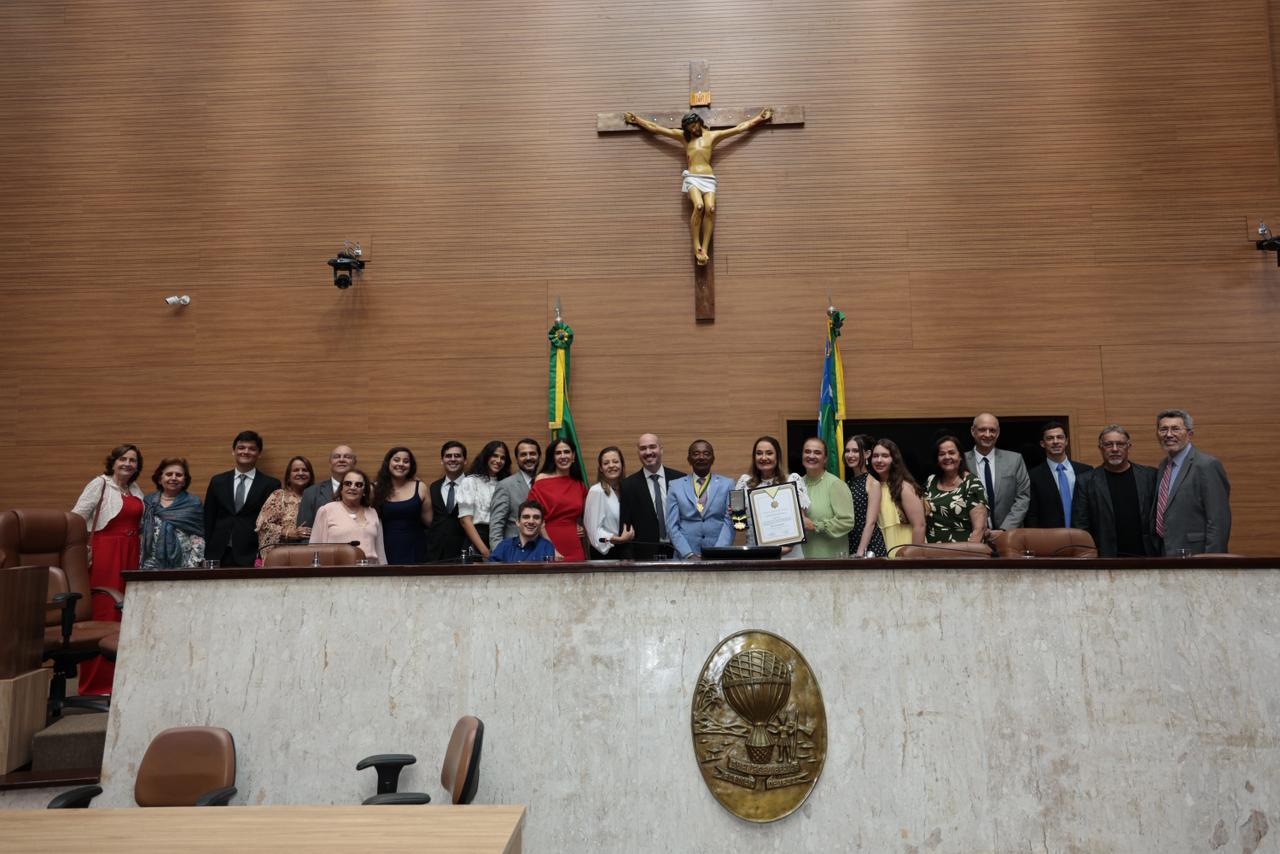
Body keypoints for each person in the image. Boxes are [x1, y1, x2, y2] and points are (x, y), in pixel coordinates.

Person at [623, 107, 773, 265]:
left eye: (694, 125)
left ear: (699, 122)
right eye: (689, 128)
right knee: (699, 206)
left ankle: (704, 249)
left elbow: (739, 128)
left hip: (708, 178)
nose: (693, 129)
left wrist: (759, 118)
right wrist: (637, 120)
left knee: (711, 209)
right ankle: (697, 246)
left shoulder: (713, 136)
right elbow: (657, 128)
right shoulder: (684, 137)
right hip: (693, 177)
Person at [70, 443, 146, 696]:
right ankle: (95, 684)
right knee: (105, 611)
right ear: (113, 462)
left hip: (131, 554)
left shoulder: (135, 489)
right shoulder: (100, 484)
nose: (127, 464)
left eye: (133, 460)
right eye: (123, 459)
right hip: (106, 553)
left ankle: (121, 682)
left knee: (126, 614)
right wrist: (79, 551)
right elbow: (76, 519)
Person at [1152, 409, 1231, 555]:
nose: (1169, 434)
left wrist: (1213, 560)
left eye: (1175, 429)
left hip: (1197, 554)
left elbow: (1218, 520)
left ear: (1190, 434)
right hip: (1166, 552)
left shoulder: (1207, 465)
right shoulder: (1164, 466)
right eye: (1163, 429)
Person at [1072, 425, 1158, 557]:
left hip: (1147, 554)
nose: (1115, 449)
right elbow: (1081, 524)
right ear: (1100, 448)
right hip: (1106, 557)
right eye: (1108, 444)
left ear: (1128, 446)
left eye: (1120, 444)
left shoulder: (1150, 476)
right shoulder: (1086, 481)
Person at [203, 431, 281, 567]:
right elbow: (208, 518)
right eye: (241, 448)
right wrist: (206, 552)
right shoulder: (217, 481)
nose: (246, 452)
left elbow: (271, 524)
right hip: (217, 553)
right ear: (233, 451)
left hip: (251, 554)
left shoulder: (271, 485)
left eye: (252, 448)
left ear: (259, 454)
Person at [733, 435, 809, 558]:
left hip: (789, 553)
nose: (764, 458)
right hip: (757, 553)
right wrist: (737, 515)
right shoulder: (744, 483)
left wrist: (788, 547)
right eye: (759, 453)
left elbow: (802, 521)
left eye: (769, 453)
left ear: (777, 456)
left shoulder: (792, 480)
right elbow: (739, 526)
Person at [618, 432, 685, 560]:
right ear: (638, 453)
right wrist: (628, 560)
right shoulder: (628, 485)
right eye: (643, 448)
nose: (648, 452)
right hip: (645, 556)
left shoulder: (680, 479)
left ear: (661, 449)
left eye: (652, 447)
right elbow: (625, 528)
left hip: (679, 551)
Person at [665, 440, 735, 559]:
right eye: (696, 454)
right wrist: (688, 554)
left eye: (706, 453)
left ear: (713, 459)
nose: (701, 457)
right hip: (684, 557)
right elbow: (672, 526)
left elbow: (730, 521)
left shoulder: (728, 484)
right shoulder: (675, 486)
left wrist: (716, 553)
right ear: (689, 459)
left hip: (718, 557)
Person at [965, 412, 1030, 530]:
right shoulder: (962, 462)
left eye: (992, 430)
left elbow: (1023, 497)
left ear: (998, 432)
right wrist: (978, 530)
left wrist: (1004, 529)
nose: (987, 434)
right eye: (982, 430)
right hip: (972, 533)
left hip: (1009, 533)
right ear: (973, 431)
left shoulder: (1015, 460)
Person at [527, 438, 589, 560]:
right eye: (558, 453)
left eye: (566, 452)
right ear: (553, 457)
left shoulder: (579, 484)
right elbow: (533, 518)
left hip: (575, 546)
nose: (563, 456)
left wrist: (581, 526)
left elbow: (585, 516)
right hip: (548, 543)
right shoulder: (541, 481)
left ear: (573, 456)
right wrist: (550, 548)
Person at [309, 468, 387, 564]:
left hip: (370, 570)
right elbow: (314, 549)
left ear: (364, 491)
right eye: (348, 483)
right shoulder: (326, 510)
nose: (353, 487)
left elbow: (380, 551)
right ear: (341, 489)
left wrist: (385, 570)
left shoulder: (372, 512)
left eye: (358, 485)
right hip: (337, 570)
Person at [140, 457, 206, 569]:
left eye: (178, 475)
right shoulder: (148, 502)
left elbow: (198, 538)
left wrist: (191, 566)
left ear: (184, 481)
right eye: (169, 474)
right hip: (150, 564)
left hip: (184, 565)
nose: (174, 478)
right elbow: (141, 534)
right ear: (160, 479)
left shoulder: (193, 503)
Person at [1025, 421, 1092, 528]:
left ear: (1066, 441)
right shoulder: (1033, 476)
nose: (1055, 441)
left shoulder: (1086, 471)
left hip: (1083, 533)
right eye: (1050, 438)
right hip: (1050, 535)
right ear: (1042, 444)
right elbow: (1032, 514)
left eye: (1060, 437)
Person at [923, 435, 988, 544]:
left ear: (960, 456)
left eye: (952, 453)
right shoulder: (930, 481)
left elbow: (979, 528)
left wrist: (969, 552)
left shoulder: (972, 483)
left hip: (962, 550)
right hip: (931, 549)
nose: (947, 457)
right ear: (937, 459)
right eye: (942, 454)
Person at [372, 447, 432, 565]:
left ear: (411, 466)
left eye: (406, 461)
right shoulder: (376, 488)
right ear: (388, 463)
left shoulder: (420, 487)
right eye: (396, 460)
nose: (401, 464)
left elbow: (429, 522)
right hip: (384, 547)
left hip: (415, 547)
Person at [799, 438, 856, 558]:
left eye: (817, 452)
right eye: (807, 451)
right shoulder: (796, 485)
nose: (811, 456)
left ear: (825, 459)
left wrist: (815, 526)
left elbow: (847, 521)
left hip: (831, 559)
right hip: (803, 557)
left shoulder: (836, 484)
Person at [869, 439, 926, 557]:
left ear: (894, 459)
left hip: (906, 549)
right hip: (885, 550)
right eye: (875, 456)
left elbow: (919, 526)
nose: (879, 460)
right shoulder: (875, 486)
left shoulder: (904, 487)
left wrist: (914, 557)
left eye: (885, 456)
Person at [457, 440, 511, 559]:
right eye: (495, 455)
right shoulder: (470, 481)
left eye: (503, 458)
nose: (498, 460)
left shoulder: (507, 483)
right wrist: (485, 552)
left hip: (501, 538)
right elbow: (465, 521)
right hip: (477, 540)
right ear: (486, 456)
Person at [255, 456, 316, 560]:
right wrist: (289, 533)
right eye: (296, 470)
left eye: (305, 470)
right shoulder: (279, 496)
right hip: (283, 557)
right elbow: (262, 524)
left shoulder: (317, 496)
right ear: (288, 476)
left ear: (310, 475)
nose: (300, 473)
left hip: (312, 555)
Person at [489, 438, 541, 550]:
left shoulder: (545, 483)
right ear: (517, 459)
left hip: (542, 551)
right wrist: (500, 554)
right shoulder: (505, 485)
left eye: (532, 453)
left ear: (539, 457)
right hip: (514, 553)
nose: (528, 458)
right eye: (523, 454)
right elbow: (496, 527)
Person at [584, 446, 636, 559]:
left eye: (615, 461)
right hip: (606, 554)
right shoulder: (596, 491)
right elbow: (594, 533)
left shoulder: (628, 490)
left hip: (627, 552)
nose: (611, 465)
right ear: (601, 468)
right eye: (606, 463)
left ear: (622, 465)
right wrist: (619, 539)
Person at [843, 436, 886, 558]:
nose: (850, 455)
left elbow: (871, 522)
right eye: (847, 451)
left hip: (870, 548)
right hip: (852, 543)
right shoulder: (849, 482)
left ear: (867, 454)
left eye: (855, 451)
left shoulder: (873, 483)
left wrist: (860, 552)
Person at [426, 441, 469, 562]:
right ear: (442, 460)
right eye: (448, 456)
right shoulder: (434, 487)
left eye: (457, 456)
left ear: (465, 460)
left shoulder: (473, 485)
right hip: (436, 553)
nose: (453, 459)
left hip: (464, 551)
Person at [297, 445, 358, 529]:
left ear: (354, 463)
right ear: (330, 463)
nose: (341, 460)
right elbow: (304, 532)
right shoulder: (311, 493)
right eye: (336, 457)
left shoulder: (367, 490)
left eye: (347, 457)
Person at [489, 500, 558, 563]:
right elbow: (490, 571)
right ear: (518, 522)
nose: (531, 521)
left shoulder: (547, 547)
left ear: (542, 523)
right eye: (526, 517)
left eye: (536, 517)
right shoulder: (504, 546)